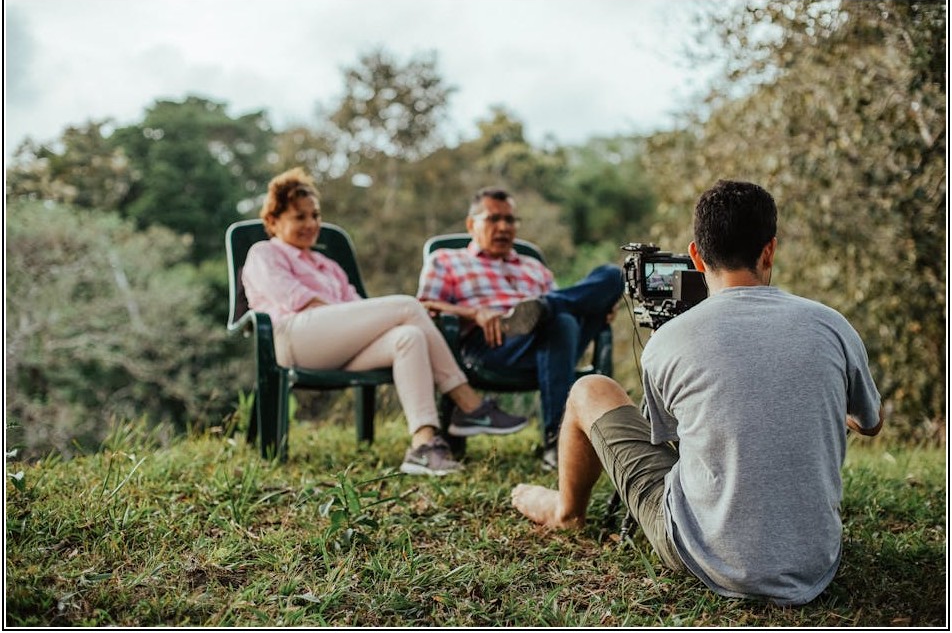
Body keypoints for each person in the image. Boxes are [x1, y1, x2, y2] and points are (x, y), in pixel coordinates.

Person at [511, 180, 883, 606]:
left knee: (589, 388)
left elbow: (671, 442)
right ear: (769, 251)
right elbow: (871, 423)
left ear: (695, 256)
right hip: (815, 562)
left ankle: (565, 513)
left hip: (703, 556)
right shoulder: (833, 325)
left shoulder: (669, 340)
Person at [242, 168, 529, 476]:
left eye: (315, 215)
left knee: (409, 337)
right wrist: (360, 319)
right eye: (300, 217)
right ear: (273, 221)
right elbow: (301, 301)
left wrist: (360, 321)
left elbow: (356, 309)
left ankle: (423, 444)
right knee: (407, 306)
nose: (311, 224)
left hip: (340, 346)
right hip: (294, 341)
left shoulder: (328, 266)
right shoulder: (264, 253)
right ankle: (469, 403)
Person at [416, 187, 624, 469]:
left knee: (612, 275)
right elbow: (423, 309)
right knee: (561, 320)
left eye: (510, 220)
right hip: (492, 343)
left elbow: (570, 305)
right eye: (494, 219)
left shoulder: (533, 266)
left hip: (550, 338)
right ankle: (557, 442)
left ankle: (545, 306)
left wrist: (596, 308)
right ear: (471, 224)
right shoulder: (446, 260)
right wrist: (473, 313)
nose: (504, 227)